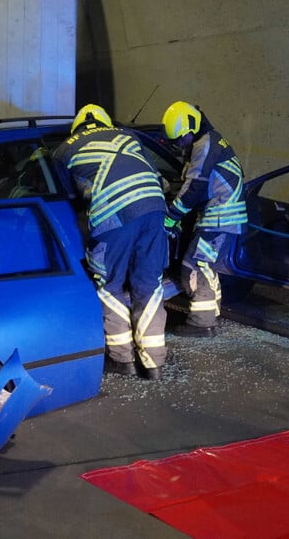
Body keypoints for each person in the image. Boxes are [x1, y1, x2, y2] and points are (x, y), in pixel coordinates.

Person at [52, 104, 169, 380]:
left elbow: (68, 196)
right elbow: (160, 180)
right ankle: (154, 364)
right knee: (149, 284)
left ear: (77, 127)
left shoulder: (63, 150)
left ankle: (122, 359)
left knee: (109, 285)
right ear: (106, 122)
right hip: (154, 210)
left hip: (113, 216)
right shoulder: (128, 135)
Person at [160, 101, 247, 337]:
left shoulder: (205, 144)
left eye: (180, 139)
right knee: (203, 264)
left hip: (220, 217)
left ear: (191, 128)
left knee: (195, 265)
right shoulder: (210, 140)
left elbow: (195, 187)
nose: (178, 145)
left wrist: (172, 217)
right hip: (221, 216)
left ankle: (201, 323)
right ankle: (211, 315)